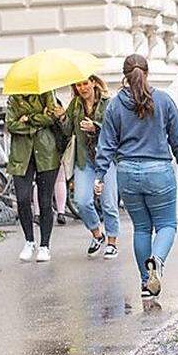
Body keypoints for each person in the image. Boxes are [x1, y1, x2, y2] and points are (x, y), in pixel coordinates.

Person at [95, 55, 178, 300]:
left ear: (125, 75)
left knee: (141, 228)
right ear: (146, 73)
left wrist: (100, 175)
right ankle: (157, 261)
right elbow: (177, 139)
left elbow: (106, 144)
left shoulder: (115, 105)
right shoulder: (164, 101)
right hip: (158, 172)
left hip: (127, 172)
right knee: (167, 224)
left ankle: (146, 284)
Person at [63, 74, 120, 259]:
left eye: (85, 83)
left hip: (105, 160)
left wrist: (96, 127)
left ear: (94, 82)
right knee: (82, 201)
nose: (82, 88)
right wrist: (62, 118)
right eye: (78, 85)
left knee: (108, 203)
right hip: (84, 160)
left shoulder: (108, 103)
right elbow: (68, 131)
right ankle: (97, 234)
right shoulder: (75, 105)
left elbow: (116, 130)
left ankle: (112, 242)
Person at [6, 91, 66, 262]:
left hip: (46, 152)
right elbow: (11, 124)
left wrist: (28, 119)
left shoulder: (47, 93)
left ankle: (44, 245)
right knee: (23, 198)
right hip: (21, 155)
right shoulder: (13, 99)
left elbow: (51, 117)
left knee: (45, 201)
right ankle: (29, 241)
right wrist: (38, 120)